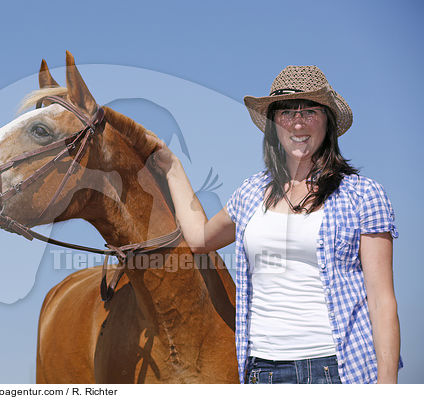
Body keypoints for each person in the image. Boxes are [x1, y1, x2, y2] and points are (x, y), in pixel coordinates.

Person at [150, 65, 401, 384]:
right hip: (261, 370)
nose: (298, 121)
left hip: (336, 369)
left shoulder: (364, 195)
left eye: (310, 110)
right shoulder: (250, 193)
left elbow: (382, 300)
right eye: (286, 112)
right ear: (273, 125)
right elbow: (199, 238)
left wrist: (388, 386)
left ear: (328, 121)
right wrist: (172, 167)